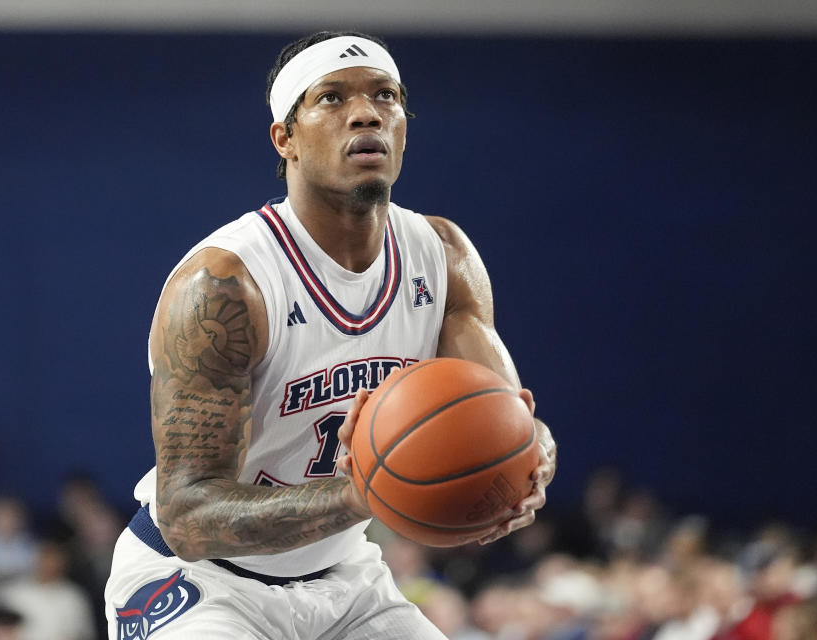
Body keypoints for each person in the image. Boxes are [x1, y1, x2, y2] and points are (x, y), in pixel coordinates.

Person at [104, 30, 557, 639]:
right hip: (200, 580)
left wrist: (527, 460)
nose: (366, 112)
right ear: (284, 139)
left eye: (385, 96)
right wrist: (362, 495)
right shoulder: (226, 286)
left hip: (345, 578)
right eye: (332, 98)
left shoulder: (441, 256)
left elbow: (501, 417)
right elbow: (188, 515)